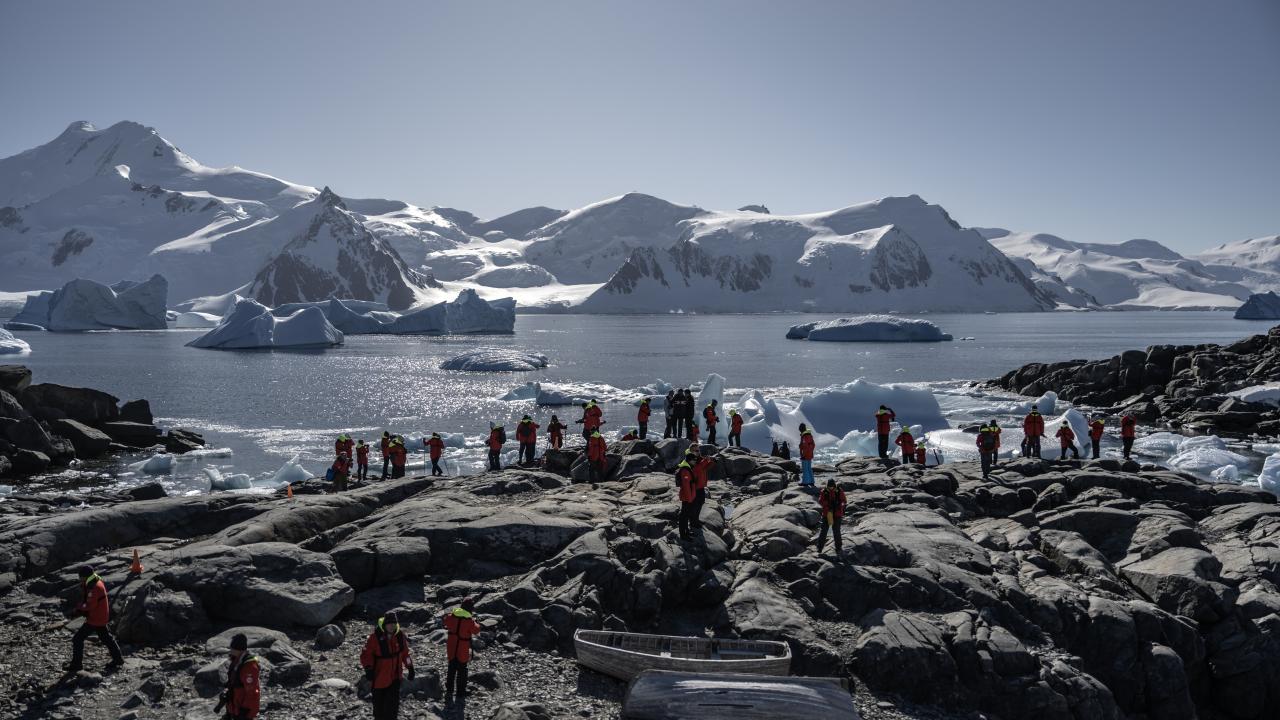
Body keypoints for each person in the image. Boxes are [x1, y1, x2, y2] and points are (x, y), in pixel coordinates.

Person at [65, 565, 124, 674]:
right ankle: (118, 659)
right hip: (100, 616)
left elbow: (89, 606)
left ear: (85, 577)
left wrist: (77, 609)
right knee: (106, 638)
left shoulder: (94, 588)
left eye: (81, 577)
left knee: (77, 639)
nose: (79, 579)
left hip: (96, 618)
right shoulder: (95, 582)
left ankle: (76, 665)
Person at [360, 612, 414, 720]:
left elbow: (405, 654)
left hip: (395, 677)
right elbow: (366, 654)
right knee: (379, 708)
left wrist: (410, 668)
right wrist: (368, 668)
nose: (392, 626)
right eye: (389, 623)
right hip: (379, 678)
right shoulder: (374, 638)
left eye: (394, 623)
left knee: (393, 707)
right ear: (385, 624)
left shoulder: (400, 636)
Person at [443, 598, 480, 701]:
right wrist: (476, 622)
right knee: (462, 671)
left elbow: (445, 621)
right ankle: (460, 693)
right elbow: (477, 630)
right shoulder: (469, 621)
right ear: (470, 609)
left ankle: (449, 691)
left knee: (451, 669)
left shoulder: (451, 616)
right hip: (462, 649)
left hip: (451, 648)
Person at [219, 632, 260, 720]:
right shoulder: (236, 660)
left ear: (239, 649)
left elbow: (252, 692)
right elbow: (233, 681)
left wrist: (246, 711)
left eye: (232, 648)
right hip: (233, 705)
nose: (230, 650)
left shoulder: (249, 666)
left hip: (242, 708)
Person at [816, 479, 846, 556]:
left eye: (832, 486)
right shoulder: (824, 491)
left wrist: (839, 503)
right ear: (827, 485)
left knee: (836, 531)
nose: (831, 488)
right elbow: (820, 501)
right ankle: (819, 548)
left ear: (834, 485)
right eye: (829, 486)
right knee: (823, 531)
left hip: (837, 514)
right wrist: (827, 504)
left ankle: (838, 548)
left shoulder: (839, 490)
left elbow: (844, 501)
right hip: (827, 513)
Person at [687, 447, 715, 529]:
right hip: (694, 486)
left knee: (700, 502)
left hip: (701, 485)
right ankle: (693, 522)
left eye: (698, 450)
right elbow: (697, 469)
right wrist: (706, 460)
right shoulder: (690, 459)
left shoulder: (700, 459)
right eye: (696, 450)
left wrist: (713, 461)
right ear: (691, 451)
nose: (698, 452)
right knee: (695, 504)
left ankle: (696, 519)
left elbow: (705, 468)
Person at [675, 455, 698, 540]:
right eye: (694, 459)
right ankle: (683, 535)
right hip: (686, 497)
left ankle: (686, 531)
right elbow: (686, 486)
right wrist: (689, 499)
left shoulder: (689, 468)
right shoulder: (685, 470)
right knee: (684, 516)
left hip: (688, 496)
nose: (695, 461)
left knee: (686, 515)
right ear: (689, 460)